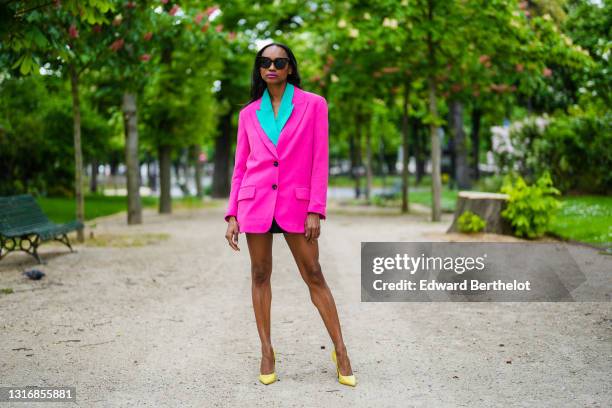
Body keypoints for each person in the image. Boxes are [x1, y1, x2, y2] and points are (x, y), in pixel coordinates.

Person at [224, 42, 356, 387]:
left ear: (290, 68)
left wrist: (316, 208)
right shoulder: (248, 114)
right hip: (255, 203)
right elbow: (240, 168)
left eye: (279, 62)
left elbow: (319, 160)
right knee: (259, 274)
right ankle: (267, 351)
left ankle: (341, 350)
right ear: (259, 68)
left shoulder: (314, 105)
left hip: (296, 204)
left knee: (314, 273)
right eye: (265, 62)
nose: (272, 67)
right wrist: (232, 214)